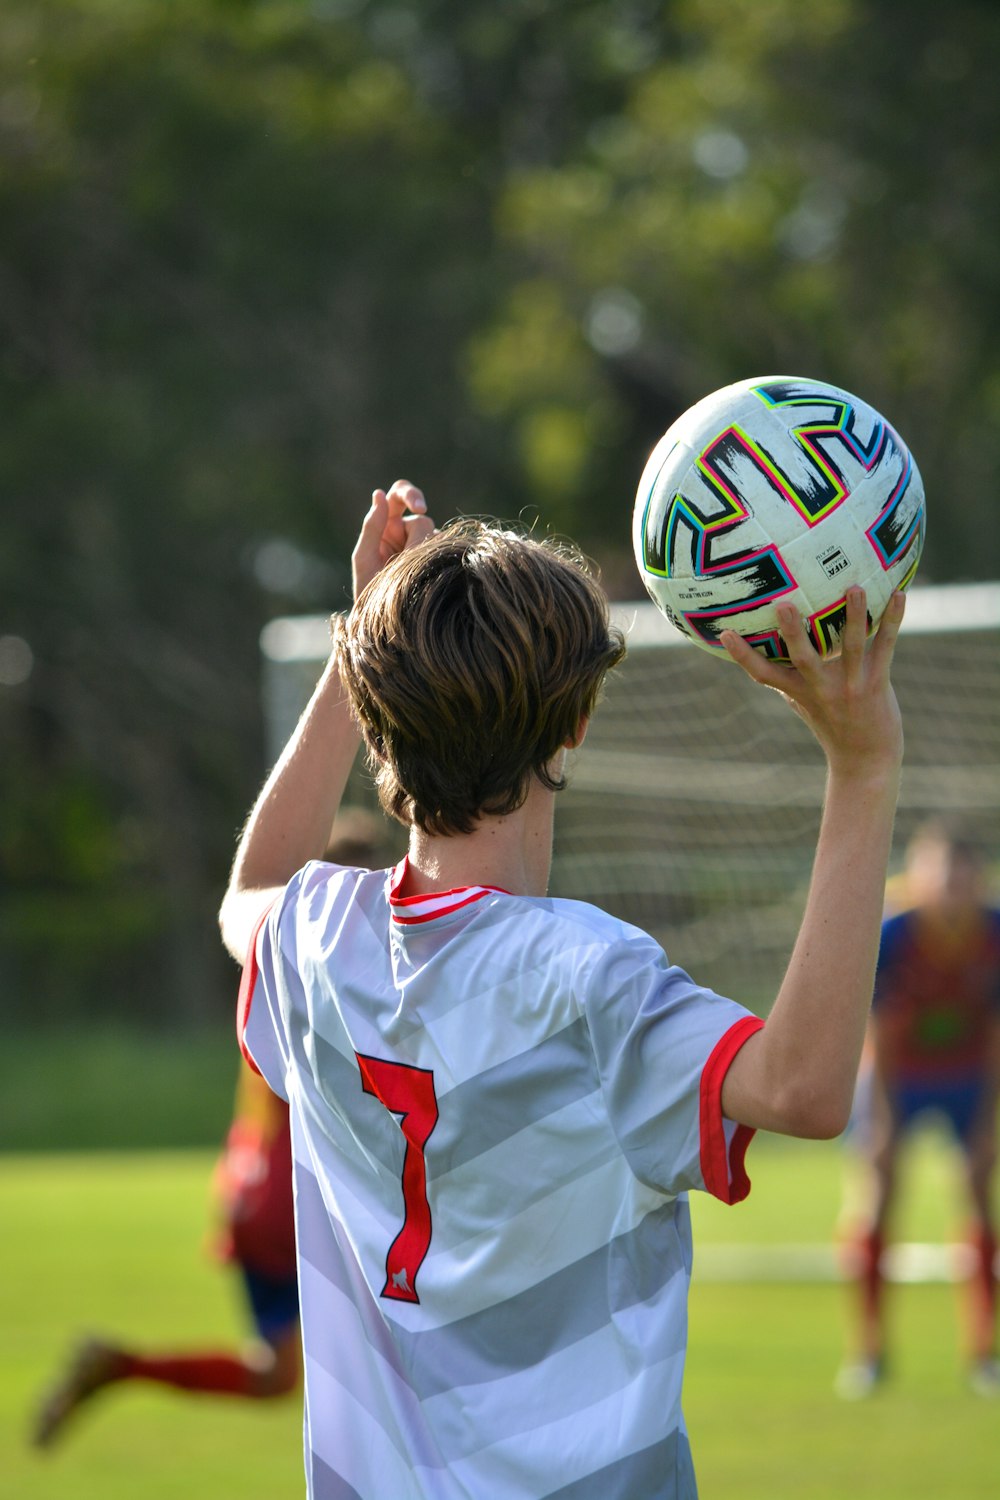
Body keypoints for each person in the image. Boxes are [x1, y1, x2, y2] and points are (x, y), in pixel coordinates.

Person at [218, 478, 906, 1499]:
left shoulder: (321, 935)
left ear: (373, 727)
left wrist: (348, 651)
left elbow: (250, 891)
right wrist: (864, 767)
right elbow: (804, 1089)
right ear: (576, 721)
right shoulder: (587, 981)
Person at [32, 812, 388, 1450]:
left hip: (251, 1189)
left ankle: (119, 1366)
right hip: (299, 1201)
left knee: (278, 1376)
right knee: (395, 1354)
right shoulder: (352, 977)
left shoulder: (278, 959)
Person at [836, 819, 1000, 1400]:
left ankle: (984, 1352)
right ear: (918, 875)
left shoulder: (993, 933)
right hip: (897, 1078)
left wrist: (987, 1124)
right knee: (877, 1197)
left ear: (979, 877)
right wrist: (879, 1120)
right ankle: (869, 1352)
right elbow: (876, 1032)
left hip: (967, 1077)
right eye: (940, 869)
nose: (952, 881)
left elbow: (995, 1036)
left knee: (979, 1194)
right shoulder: (895, 936)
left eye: (963, 870)